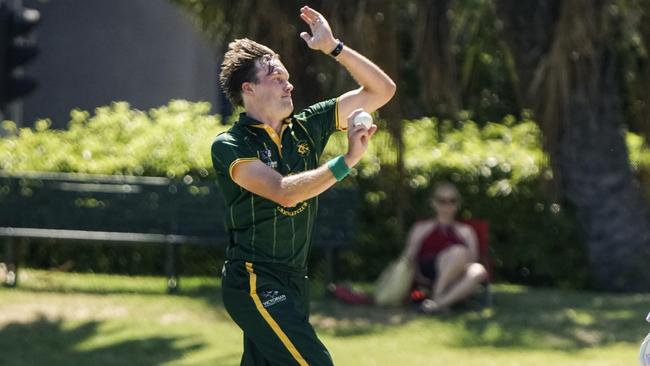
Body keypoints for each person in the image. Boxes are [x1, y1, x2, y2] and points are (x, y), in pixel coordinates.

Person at [211, 6, 395, 366]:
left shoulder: (307, 125)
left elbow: (382, 90)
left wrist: (333, 48)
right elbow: (284, 191)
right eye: (276, 77)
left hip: (295, 280)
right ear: (248, 88)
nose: (288, 83)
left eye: (287, 77)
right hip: (253, 281)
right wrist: (347, 161)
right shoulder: (231, 145)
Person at [402, 182, 488, 314]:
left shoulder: (466, 231)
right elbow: (408, 258)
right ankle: (439, 296)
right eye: (442, 201)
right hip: (429, 273)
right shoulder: (421, 228)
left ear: (458, 204)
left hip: (457, 275)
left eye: (452, 201)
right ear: (433, 203)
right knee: (458, 251)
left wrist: (455, 261)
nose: (447, 206)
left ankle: (436, 304)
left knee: (478, 270)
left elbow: (473, 260)